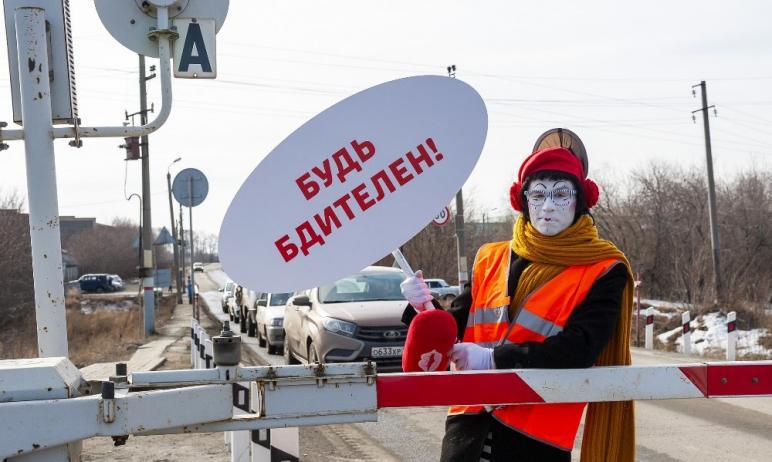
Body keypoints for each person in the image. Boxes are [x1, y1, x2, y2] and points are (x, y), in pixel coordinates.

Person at [400, 129, 635, 462]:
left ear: (580, 200)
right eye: (537, 195)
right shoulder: (490, 257)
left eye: (561, 194)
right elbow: (456, 324)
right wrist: (422, 307)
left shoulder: (603, 269)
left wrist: (492, 360)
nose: (548, 206)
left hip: (534, 438)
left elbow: (580, 349)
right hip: (468, 431)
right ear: (523, 201)